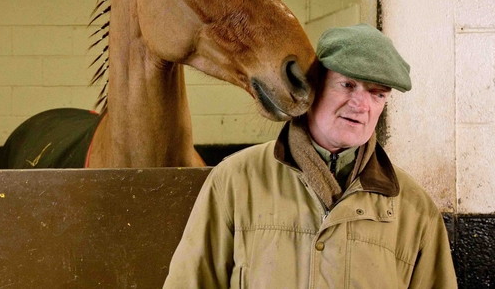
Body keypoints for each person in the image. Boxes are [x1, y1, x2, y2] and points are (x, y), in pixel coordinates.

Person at [163, 24, 457, 288]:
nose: (361, 104)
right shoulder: (236, 181)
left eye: (377, 93)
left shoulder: (414, 209)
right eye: (348, 85)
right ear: (314, 85)